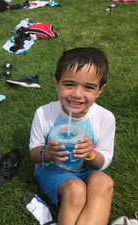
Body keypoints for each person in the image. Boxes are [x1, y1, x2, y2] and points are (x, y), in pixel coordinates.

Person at [28, 47, 115, 225]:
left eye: (89, 87)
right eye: (69, 84)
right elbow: (33, 154)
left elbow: (103, 160)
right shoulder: (44, 113)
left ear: (100, 90)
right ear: (56, 83)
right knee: (76, 189)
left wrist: (90, 153)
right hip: (53, 170)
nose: (77, 94)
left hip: (87, 170)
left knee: (104, 181)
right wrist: (48, 153)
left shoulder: (105, 118)